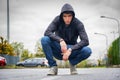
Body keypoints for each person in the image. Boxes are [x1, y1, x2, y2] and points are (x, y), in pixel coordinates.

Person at [41, 3, 92, 75]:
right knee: (44, 39)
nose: (67, 19)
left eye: (69, 16)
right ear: (61, 16)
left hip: (72, 50)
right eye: (65, 16)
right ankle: (53, 66)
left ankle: (73, 63)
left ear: (73, 16)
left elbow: (85, 41)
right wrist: (61, 40)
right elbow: (47, 32)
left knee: (87, 50)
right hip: (59, 49)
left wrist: (70, 50)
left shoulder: (78, 23)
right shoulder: (57, 20)